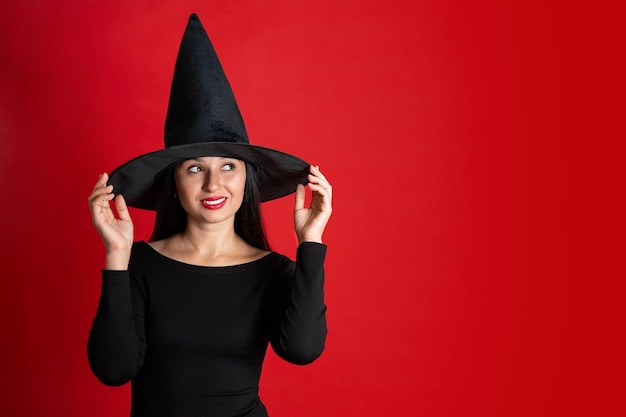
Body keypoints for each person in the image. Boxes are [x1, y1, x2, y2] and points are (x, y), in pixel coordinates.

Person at [86, 14, 332, 417]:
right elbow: (113, 369)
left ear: (247, 180)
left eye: (229, 166)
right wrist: (117, 255)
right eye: (195, 168)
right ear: (174, 182)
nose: (214, 184)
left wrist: (311, 243)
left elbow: (302, 349)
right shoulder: (140, 265)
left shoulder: (274, 272)